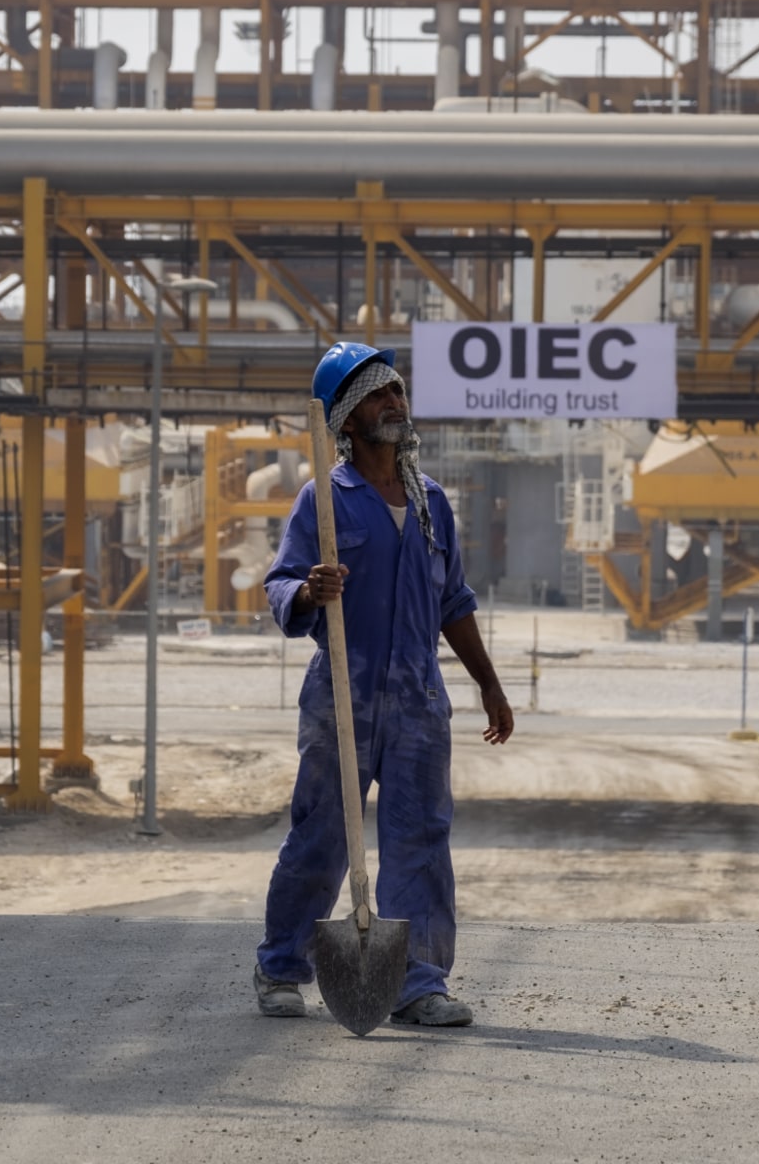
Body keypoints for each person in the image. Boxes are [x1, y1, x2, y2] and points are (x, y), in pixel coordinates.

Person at [254, 342, 513, 1028]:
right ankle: (281, 965)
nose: (393, 402)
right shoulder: (324, 498)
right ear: (345, 418)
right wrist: (310, 589)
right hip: (345, 691)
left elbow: (453, 600)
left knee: (421, 837)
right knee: (323, 837)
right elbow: (281, 582)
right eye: (376, 395)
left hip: (419, 700)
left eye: (396, 390)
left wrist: (488, 682)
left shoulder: (430, 504)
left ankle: (418, 981)